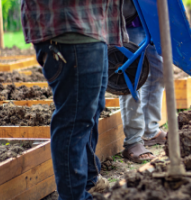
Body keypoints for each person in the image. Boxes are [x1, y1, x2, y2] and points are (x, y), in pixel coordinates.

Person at [21, 1, 128, 199]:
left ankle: (89, 180)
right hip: (70, 26)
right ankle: (74, 195)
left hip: (93, 27)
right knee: (74, 119)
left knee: (92, 110)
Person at [120, 1, 167, 163]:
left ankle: (150, 130)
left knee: (159, 72)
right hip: (129, 19)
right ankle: (133, 141)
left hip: (152, 18)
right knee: (131, 78)